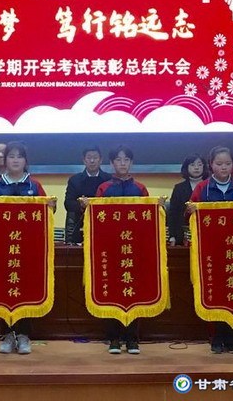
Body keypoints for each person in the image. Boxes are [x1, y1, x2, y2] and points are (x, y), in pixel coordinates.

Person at [0, 141, 55, 354]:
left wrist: (50, 207)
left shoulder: (35, 186)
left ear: (26, 161)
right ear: (4, 160)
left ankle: (24, 335)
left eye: (19, 156)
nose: (15, 160)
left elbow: (47, 215)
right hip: (2, 249)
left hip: (27, 250)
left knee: (26, 290)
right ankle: (6, 334)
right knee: (2, 290)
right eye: (11, 156)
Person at [188, 146, 233, 355]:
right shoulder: (202, 189)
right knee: (214, 293)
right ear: (211, 166)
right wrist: (190, 210)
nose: (224, 167)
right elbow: (189, 217)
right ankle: (215, 338)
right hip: (211, 251)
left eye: (228, 163)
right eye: (219, 164)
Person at [94, 145, 149, 355]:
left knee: (135, 292)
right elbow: (96, 220)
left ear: (131, 163)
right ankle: (114, 338)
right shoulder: (104, 188)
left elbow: (148, 220)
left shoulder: (140, 189)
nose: (122, 163)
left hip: (134, 250)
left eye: (126, 160)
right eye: (118, 160)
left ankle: (132, 339)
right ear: (111, 164)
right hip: (111, 250)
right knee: (112, 292)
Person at [63, 146, 112, 245]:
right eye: (89, 158)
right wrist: (81, 204)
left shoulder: (109, 179)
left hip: (104, 224)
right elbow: (68, 203)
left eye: (95, 157)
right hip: (80, 226)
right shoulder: (75, 180)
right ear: (84, 160)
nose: (92, 161)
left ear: (101, 160)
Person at [168, 154, 209, 246]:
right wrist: (172, 236)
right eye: (192, 165)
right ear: (186, 167)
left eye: (199, 164)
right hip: (182, 234)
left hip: (205, 231)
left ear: (204, 167)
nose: (196, 168)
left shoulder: (210, 187)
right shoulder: (179, 188)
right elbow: (173, 213)